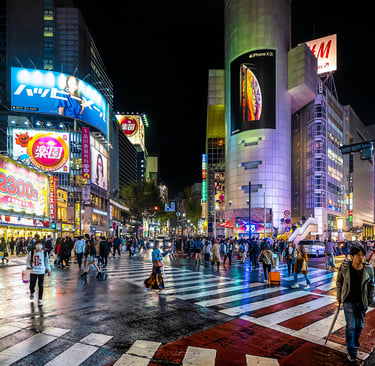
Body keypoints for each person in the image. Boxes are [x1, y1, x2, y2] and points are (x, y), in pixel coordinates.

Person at [336, 245, 374, 362]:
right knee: (351, 325)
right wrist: (339, 296)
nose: (361, 257)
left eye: (363, 255)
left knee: (359, 325)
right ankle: (351, 351)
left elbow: (372, 285)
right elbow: (339, 281)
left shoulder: (368, 269)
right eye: (358, 255)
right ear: (352, 256)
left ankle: (356, 341)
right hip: (348, 301)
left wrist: (370, 298)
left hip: (362, 302)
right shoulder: (345, 267)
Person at [26, 240, 51, 306]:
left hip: (41, 271)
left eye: (40, 244)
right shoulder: (31, 252)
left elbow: (47, 262)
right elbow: (28, 261)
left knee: (40, 285)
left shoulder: (44, 253)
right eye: (37, 244)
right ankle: (32, 292)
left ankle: (40, 299)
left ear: (42, 246)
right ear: (35, 245)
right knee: (32, 285)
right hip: (33, 271)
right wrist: (28, 266)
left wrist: (48, 270)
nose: (39, 245)